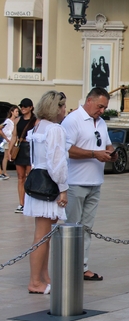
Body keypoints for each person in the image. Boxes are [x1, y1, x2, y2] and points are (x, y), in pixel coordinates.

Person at [61, 87, 117, 281]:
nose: (102, 111)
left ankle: (82, 266)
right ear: (89, 101)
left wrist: (111, 153)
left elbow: (107, 144)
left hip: (95, 182)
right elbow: (66, 149)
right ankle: (68, 266)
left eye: (105, 107)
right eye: (100, 106)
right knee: (72, 227)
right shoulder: (73, 120)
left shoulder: (101, 122)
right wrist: (94, 154)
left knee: (86, 228)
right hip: (75, 183)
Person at [24, 91, 69, 294]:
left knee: (43, 235)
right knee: (42, 235)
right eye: (63, 106)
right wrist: (63, 190)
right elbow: (57, 163)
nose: (65, 110)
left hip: (36, 180)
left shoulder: (37, 127)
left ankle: (43, 276)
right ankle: (35, 281)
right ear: (56, 108)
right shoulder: (55, 129)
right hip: (48, 184)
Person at [9, 98, 37, 213]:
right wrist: (10, 151)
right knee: (20, 177)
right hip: (20, 149)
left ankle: (30, 202)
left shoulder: (35, 121)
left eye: (25, 106)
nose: (23, 108)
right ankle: (22, 203)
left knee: (30, 177)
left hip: (30, 148)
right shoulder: (18, 120)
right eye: (22, 106)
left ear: (31, 107)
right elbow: (14, 136)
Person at [0, 105, 19, 180]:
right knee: (6, 156)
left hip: (14, 141)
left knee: (14, 155)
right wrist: (8, 138)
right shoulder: (8, 121)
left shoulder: (17, 121)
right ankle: (4, 172)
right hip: (8, 141)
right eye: (16, 111)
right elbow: (3, 131)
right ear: (12, 112)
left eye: (18, 111)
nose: (17, 113)